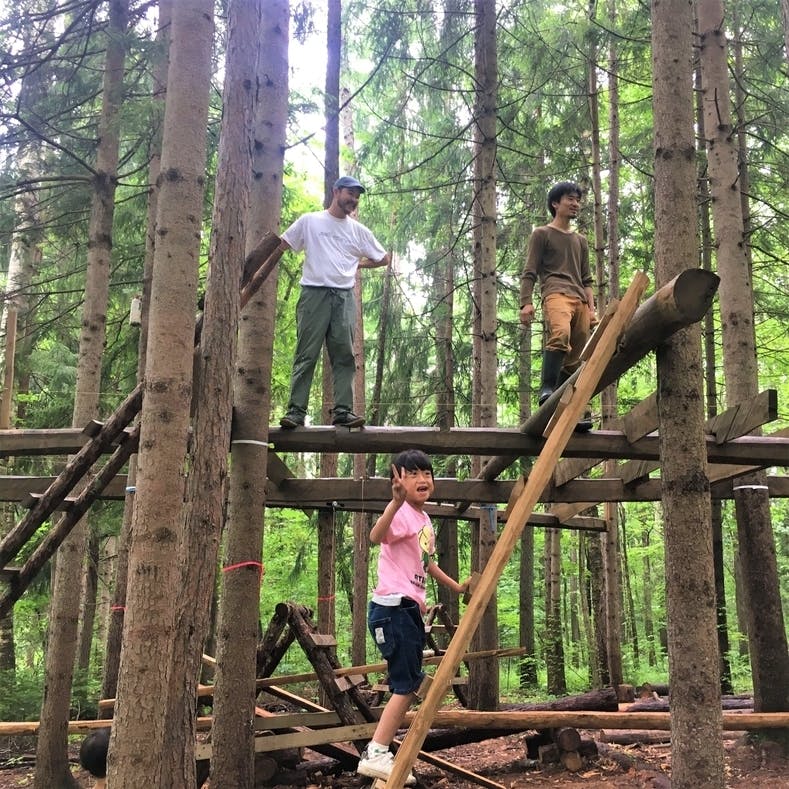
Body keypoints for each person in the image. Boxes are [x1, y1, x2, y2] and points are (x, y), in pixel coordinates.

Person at [357, 449, 469, 785]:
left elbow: (426, 564)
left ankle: (382, 752)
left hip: (408, 610)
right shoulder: (401, 512)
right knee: (406, 685)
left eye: (427, 474)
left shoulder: (424, 521)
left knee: (410, 682)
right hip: (393, 607)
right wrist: (394, 503)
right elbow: (376, 536)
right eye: (413, 474)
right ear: (398, 481)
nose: (423, 480)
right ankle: (376, 752)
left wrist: (457, 587)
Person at [278, 175, 391, 429]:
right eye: (350, 194)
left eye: (357, 197)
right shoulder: (310, 221)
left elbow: (384, 258)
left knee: (344, 355)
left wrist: (357, 265)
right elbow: (283, 244)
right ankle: (296, 412)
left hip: (344, 298)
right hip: (313, 294)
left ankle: (343, 411)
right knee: (306, 353)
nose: (354, 200)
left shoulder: (358, 231)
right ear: (336, 191)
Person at [520, 181, 596, 430]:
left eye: (578, 200)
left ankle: (569, 410)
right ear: (555, 203)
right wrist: (526, 302)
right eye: (570, 199)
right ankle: (547, 389)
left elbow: (587, 280)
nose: (575, 204)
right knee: (561, 334)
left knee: (577, 357)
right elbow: (530, 271)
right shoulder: (541, 234)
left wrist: (592, 309)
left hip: (580, 299)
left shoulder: (580, 241)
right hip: (555, 293)